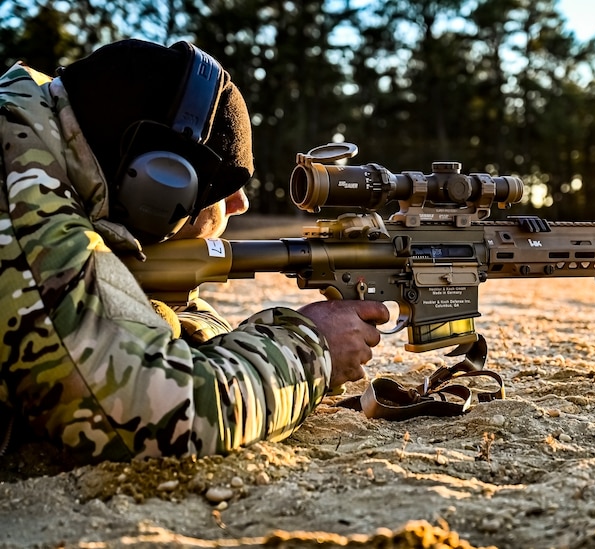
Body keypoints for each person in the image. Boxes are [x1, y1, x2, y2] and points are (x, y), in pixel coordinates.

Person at [0, 39, 389, 463]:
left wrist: (172, 326)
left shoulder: (37, 136)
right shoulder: (22, 191)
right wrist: (312, 348)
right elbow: (159, 413)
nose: (240, 205)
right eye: (225, 188)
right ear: (159, 185)